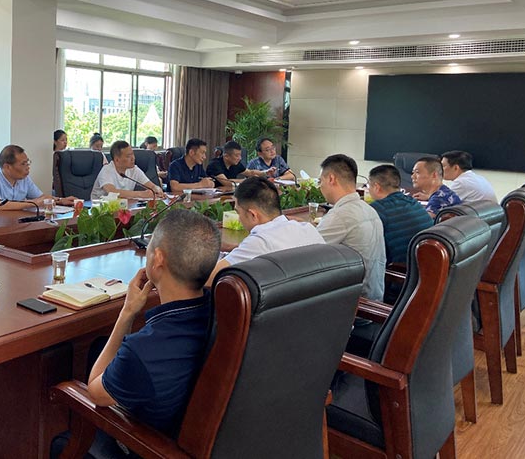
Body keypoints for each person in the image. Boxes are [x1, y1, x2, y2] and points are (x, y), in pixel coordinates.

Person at [53, 209, 219, 456]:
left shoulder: (143, 350)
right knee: (99, 346)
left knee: (61, 438)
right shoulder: (218, 314)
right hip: (185, 433)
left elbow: (95, 392)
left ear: (158, 259)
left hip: (146, 446)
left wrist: (127, 313)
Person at [207, 176, 323, 283]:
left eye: (238, 213)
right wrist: (236, 248)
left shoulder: (260, 242)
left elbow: (208, 279)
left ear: (253, 215)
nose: (239, 219)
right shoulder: (308, 229)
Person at [317, 154, 385, 303]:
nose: (320, 186)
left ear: (331, 179)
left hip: (356, 304)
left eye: (320, 181)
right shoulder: (369, 210)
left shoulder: (341, 215)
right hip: (374, 295)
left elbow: (305, 253)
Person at [368, 165, 433, 304]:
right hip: (425, 275)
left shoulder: (378, 209)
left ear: (376, 187)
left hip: (400, 283)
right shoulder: (414, 202)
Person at [0, 144, 76, 210]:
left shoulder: (24, 179)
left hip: (12, 222)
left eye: (28, 163)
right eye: (23, 164)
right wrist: (33, 203)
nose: (28, 167)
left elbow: (41, 197)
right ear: (7, 167)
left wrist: (60, 200)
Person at [91, 140, 165, 200]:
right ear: (117, 160)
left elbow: (152, 186)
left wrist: (158, 190)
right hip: (100, 209)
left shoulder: (134, 169)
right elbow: (112, 192)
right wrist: (141, 194)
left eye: (132, 154)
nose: (133, 158)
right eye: (128, 156)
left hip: (124, 206)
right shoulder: (107, 170)